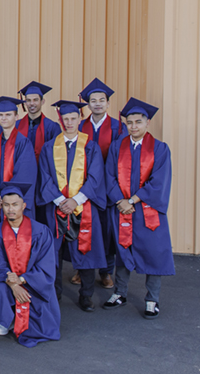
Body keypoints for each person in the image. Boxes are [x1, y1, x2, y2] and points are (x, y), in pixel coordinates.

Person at [103, 98, 174, 319]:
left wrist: (132, 201)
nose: (133, 126)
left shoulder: (160, 149)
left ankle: (152, 300)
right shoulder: (117, 147)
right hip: (122, 209)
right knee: (123, 251)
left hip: (147, 211)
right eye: (130, 122)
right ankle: (120, 293)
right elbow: (109, 177)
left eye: (138, 122)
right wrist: (119, 201)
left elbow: (158, 182)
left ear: (148, 123)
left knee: (153, 254)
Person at [38, 99, 107, 312]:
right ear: (60, 120)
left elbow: (96, 178)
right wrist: (60, 201)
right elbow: (45, 177)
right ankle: (55, 292)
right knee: (55, 252)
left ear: (79, 119)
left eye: (73, 118)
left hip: (83, 206)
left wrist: (76, 200)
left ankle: (86, 296)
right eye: (65, 119)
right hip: (56, 207)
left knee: (85, 250)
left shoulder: (91, 146)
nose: (69, 123)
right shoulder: (50, 147)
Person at [0, 182, 61, 346]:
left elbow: (46, 265)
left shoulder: (40, 231)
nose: (10, 209)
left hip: (33, 281)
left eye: (15, 205)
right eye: (6, 205)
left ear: (24, 206)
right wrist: (13, 284)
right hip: (9, 280)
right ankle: (6, 319)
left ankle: (22, 318)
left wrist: (22, 280)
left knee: (41, 324)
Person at [80, 77, 122, 290]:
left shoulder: (118, 127)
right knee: (84, 228)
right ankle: (83, 269)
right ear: (88, 104)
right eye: (93, 100)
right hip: (85, 186)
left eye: (101, 100)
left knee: (107, 231)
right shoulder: (80, 126)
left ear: (108, 103)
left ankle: (106, 271)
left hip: (108, 187)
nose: (97, 103)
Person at [0, 96, 38, 231]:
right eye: (0, 115)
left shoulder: (23, 143)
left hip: (15, 202)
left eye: (8, 115)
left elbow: (24, 175)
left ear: (16, 117)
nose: (4, 118)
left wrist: (6, 197)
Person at [17, 81, 59, 161]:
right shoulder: (16, 126)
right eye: (28, 100)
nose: (32, 103)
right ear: (25, 103)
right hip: (22, 171)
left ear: (42, 102)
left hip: (44, 171)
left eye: (35, 100)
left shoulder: (52, 127)